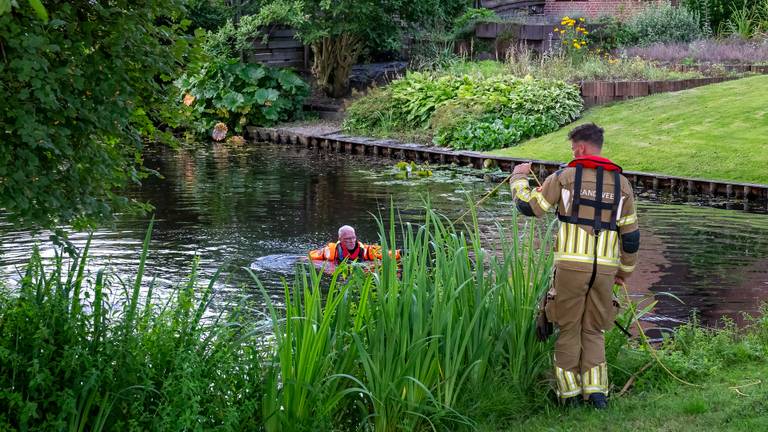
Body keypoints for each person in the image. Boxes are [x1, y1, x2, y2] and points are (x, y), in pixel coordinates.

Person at [509, 123, 640, 409]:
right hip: (605, 270)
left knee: (568, 328)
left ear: (580, 148)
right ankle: (596, 395)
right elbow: (631, 237)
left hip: (570, 268)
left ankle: (568, 396)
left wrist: (518, 179)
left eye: (572, 148)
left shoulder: (564, 177)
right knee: (594, 330)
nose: (572, 152)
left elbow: (530, 207)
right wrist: (624, 272)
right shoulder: (622, 184)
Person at [309, 225, 385, 263]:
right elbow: (308, 258)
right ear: (339, 239)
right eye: (347, 239)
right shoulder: (329, 251)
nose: (352, 241)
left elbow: (388, 254)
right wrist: (327, 266)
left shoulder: (367, 250)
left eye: (353, 238)